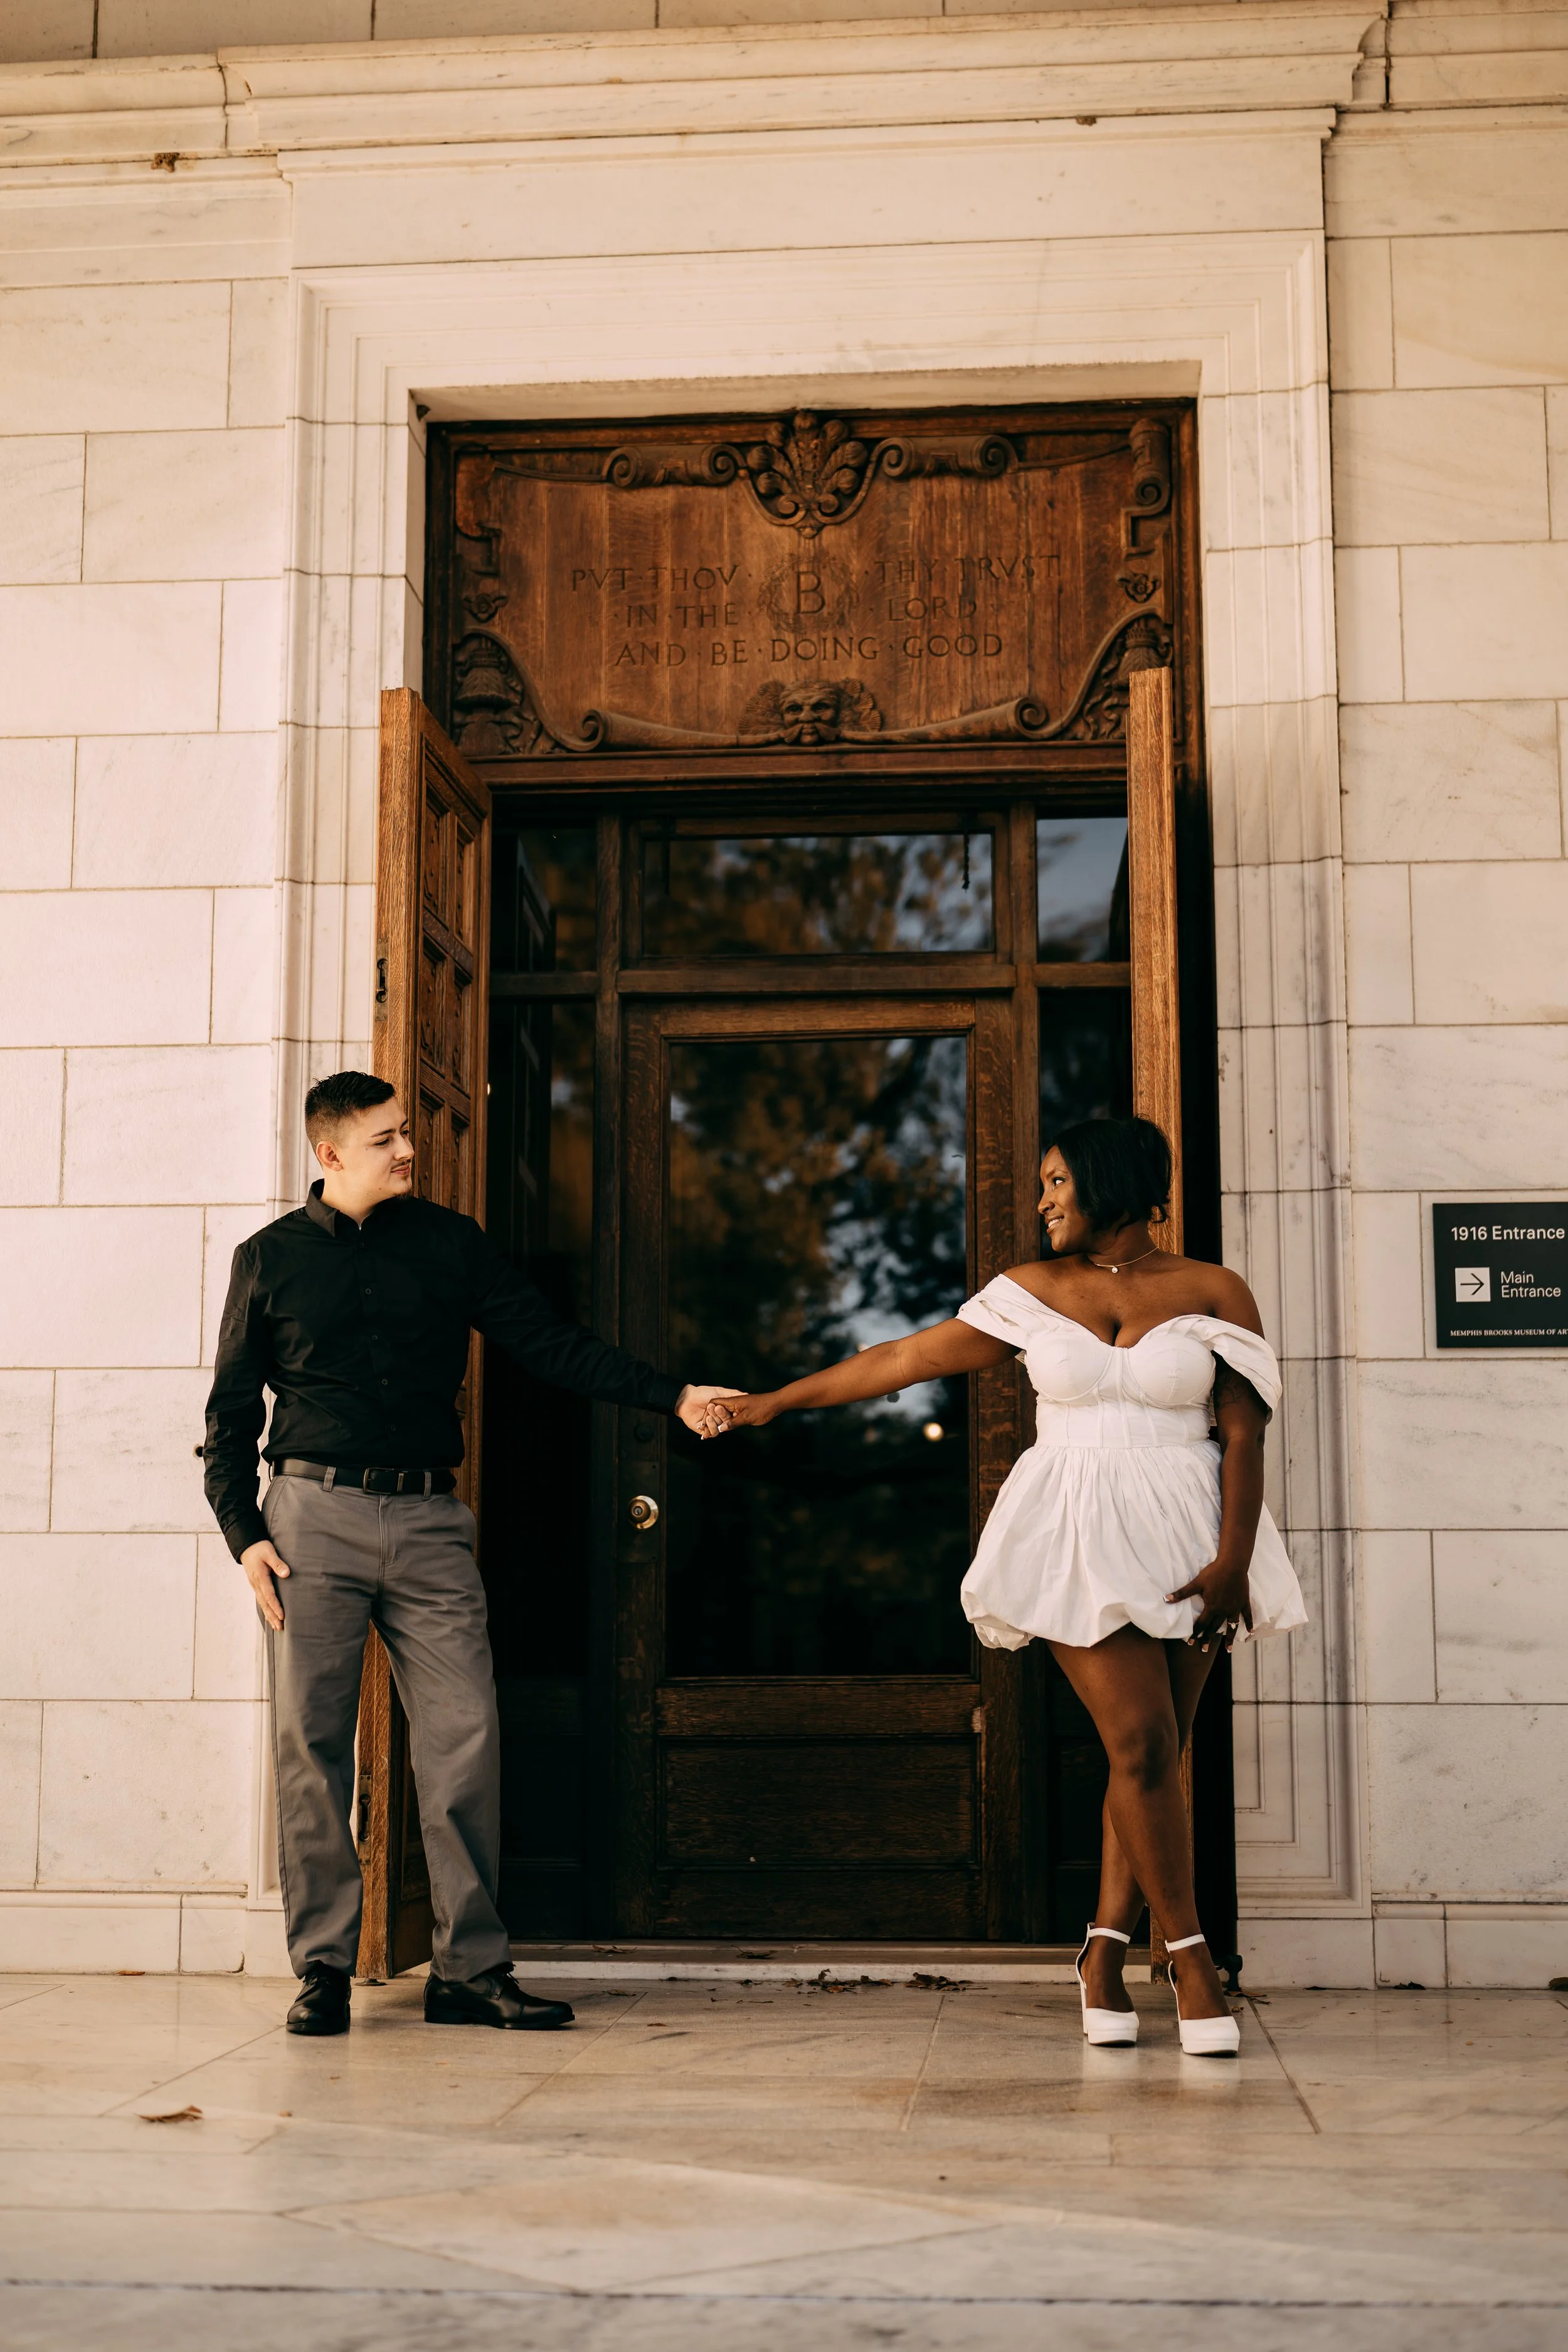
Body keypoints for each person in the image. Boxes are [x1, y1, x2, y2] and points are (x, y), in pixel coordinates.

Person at [704, 1115, 1305, 2057]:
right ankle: (1188, 1958)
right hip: (1076, 1525)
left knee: (1153, 1753)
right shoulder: (1029, 1291)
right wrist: (777, 1400)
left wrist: (1234, 1562)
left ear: (1109, 1181)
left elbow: (1243, 1433)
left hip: (1195, 1534)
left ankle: (1102, 1951)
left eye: (1057, 1181)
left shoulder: (1214, 1289)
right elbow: (903, 1356)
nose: (1043, 1200)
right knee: (1140, 1737)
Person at [204, 1070, 739, 2040]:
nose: (408, 1150)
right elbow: (231, 1417)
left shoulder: (452, 1244)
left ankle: (471, 1969)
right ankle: (323, 1968)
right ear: (329, 1155)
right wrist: (245, 1536)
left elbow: (551, 1345)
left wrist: (669, 1392)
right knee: (312, 1748)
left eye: (405, 1132)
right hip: (308, 1522)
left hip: (429, 1523)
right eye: (386, 1139)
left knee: (466, 1741)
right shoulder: (267, 1259)